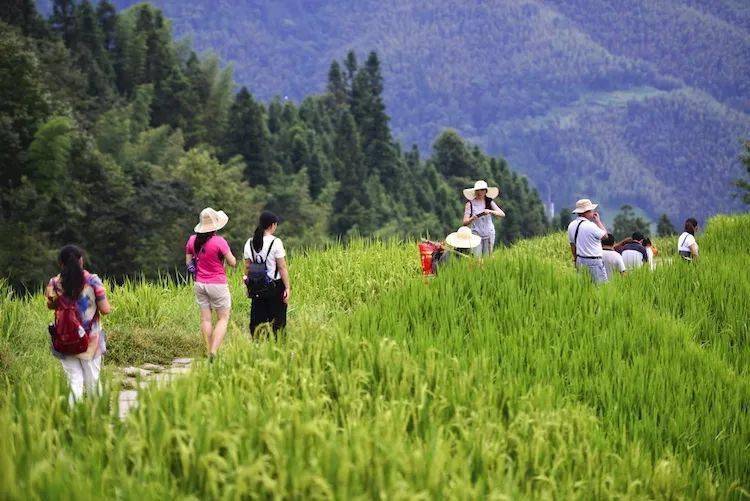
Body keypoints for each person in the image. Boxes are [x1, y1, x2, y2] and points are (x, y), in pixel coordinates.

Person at [45, 245, 111, 402]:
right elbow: (105, 309)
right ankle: (97, 418)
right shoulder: (93, 280)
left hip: (65, 338)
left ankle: (75, 418)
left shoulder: (53, 283)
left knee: (74, 379)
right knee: (93, 380)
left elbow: (49, 305)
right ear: (81, 261)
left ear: (61, 263)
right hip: (90, 339)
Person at [185, 207, 237, 359]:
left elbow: (188, 262)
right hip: (218, 284)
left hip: (200, 284)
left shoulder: (192, 240)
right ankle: (213, 351)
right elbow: (233, 262)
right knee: (223, 318)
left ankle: (208, 350)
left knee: (206, 319)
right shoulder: (219, 241)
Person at [243, 211, 291, 337]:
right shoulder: (276, 242)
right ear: (272, 225)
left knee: (258, 320)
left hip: (256, 285)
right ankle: (276, 349)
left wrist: (247, 286)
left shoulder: (249, 242)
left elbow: (247, 267)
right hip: (275, 286)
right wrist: (287, 287)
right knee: (277, 322)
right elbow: (282, 267)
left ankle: (258, 347)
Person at [567, 198, 608, 284]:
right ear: (586, 212)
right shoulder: (591, 226)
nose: (593, 212)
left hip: (580, 261)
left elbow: (572, 245)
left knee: (585, 289)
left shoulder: (571, 225)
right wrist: (598, 221)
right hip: (594, 262)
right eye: (591, 210)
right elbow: (605, 236)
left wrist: (576, 260)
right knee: (601, 289)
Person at [462, 180, 505, 256]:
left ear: (486, 191)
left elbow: (502, 214)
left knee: (487, 257)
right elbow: (465, 222)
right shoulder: (470, 204)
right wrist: (472, 218)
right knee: (476, 257)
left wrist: (490, 211)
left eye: (482, 190)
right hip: (476, 234)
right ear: (475, 191)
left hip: (489, 233)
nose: (480, 192)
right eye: (477, 190)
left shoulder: (489, 202)